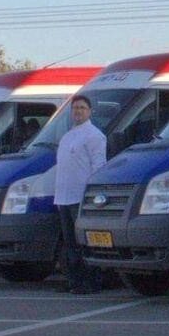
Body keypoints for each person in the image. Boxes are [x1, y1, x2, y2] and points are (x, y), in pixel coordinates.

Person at [53, 94, 107, 294]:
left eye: (82, 108)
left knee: (84, 242)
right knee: (70, 243)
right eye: (75, 108)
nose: (78, 111)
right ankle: (73, 280)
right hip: (64, 197)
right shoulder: (67, 137)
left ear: (90, 111)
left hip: (80, 197)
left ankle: (90, 282)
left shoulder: (94, 135)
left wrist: (91, 196)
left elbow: (98, 167)